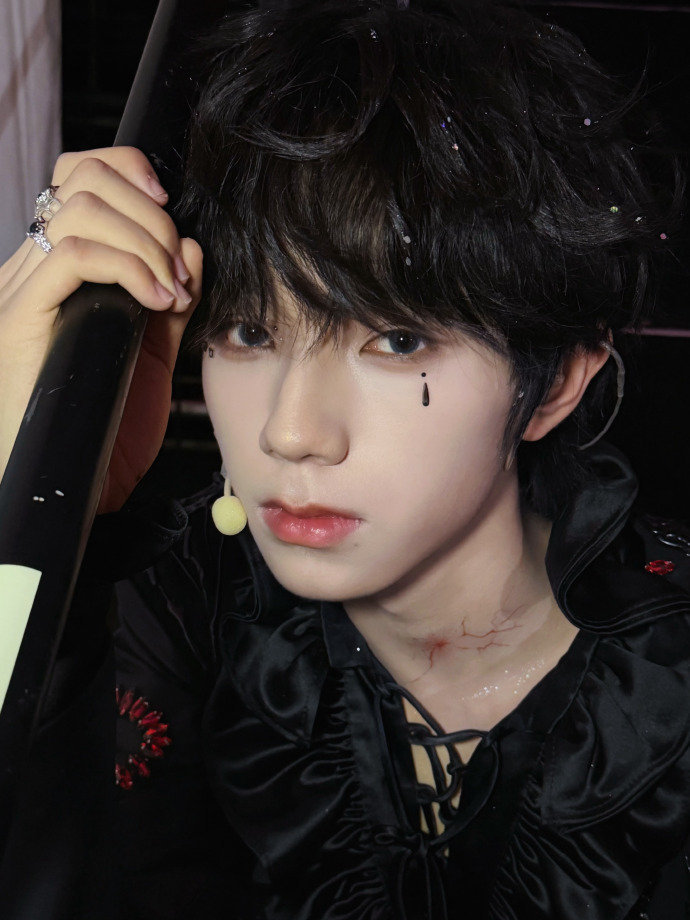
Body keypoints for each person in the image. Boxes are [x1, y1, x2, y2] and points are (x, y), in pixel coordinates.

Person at [0, 0, 689, 917]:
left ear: (558, 381)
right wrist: (27, 501)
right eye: (250, 331)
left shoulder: (666, 686)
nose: (292, 433)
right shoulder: (172, 618)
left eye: (397, 341)